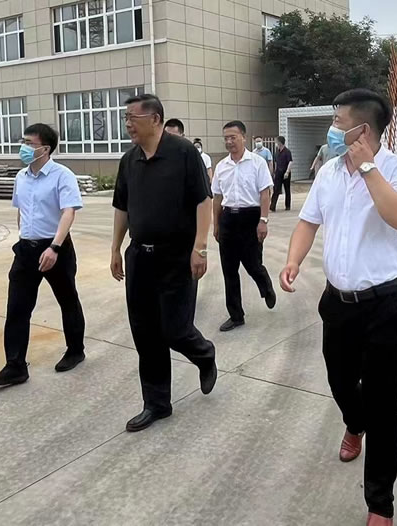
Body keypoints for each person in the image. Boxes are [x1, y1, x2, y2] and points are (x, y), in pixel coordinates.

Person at [279, 89, 397, 526]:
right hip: (336, 302)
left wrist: (369, 169)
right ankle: (353, 422)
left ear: (363, 130)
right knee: (340, 380)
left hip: (382, 304)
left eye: (338, 122)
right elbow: (308, 221)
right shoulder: (328, 172)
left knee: (383, 402)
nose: (332, 129)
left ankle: (380, 504)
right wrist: (293, 259)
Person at [111, 94, 217, 432]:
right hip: (140, 257)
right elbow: (122, 207)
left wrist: (200, 248)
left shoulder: (183, 152)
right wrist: (115, 249)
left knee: (175, 329)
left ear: (155, 119)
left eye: (133, 118)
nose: (128, 124)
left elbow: (203, 201)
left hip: (177, 256)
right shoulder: (129, 160)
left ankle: (204, 354)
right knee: (145, 333)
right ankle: (157, 403)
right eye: (126, 118)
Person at [0, 124, 86, 386]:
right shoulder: (21, 176)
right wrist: (23, 238)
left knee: (67, 300)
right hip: (26, 250)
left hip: (56, 248)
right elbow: (21, 210)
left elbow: (68, 212)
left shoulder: (62, 175)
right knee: (17, 307)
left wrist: (54, 247)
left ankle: (75, 350)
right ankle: (15, 365)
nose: (24, 148)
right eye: (23, 142)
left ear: (45, 148)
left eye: (30, 143)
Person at [212, 120, 276, 332]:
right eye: (226, 138)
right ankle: (236, 315)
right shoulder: (222, 166)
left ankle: (265, 285)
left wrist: (263, 221)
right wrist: (216, 224)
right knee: (229, 270)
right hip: (228, 219)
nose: (229, 142)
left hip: (251, 218)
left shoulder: (257, 163)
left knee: (253, 264)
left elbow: (265, 193)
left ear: (244, 137)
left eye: (233, 137)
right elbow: (217, 197)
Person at [270, 136, 292, 211]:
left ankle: (288, 205)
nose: (276, 143)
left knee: (287, 189)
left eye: (276, 141)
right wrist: (275, 171)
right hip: (278, 172)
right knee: (276, 189)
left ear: (280, 142)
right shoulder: (277, 152)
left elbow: (290, 162)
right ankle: (272, 206)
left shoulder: (287, 151)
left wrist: (287, 172)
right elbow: (276, 162)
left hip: (285, 172)